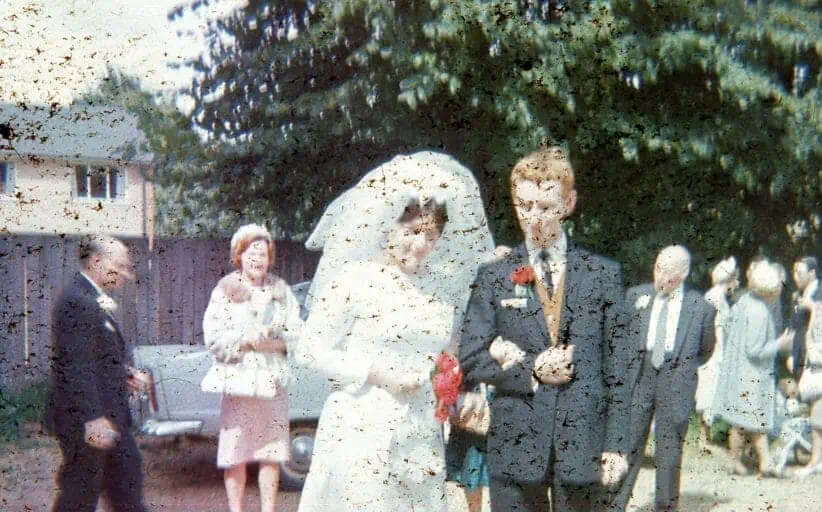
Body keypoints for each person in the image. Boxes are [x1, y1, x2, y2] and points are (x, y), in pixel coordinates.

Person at [296, 151, 494, 512]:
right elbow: (309, 349)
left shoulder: (439, 291)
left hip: (420, 433)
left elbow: (445, 359)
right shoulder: (354, 279)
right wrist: (375, 373)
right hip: (359, 425)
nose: (420, 245)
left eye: (431, 236)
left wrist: (455, 393)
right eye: (411, 232)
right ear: (388, 225)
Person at [458, 146, 629, 512]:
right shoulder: (492, 277)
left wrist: (617, 444)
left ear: (569, 203)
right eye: (524, 206)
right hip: (515, 447)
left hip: (583, 446)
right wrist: (531, 372)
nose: (533, 218)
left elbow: (621, 368)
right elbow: (471, 357)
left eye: (546, 207)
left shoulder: (603, 275)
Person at [606, 245, 717, 512]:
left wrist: (677, 368)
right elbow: (620, 339)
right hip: (640, 376)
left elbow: (705, 350)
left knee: (669, 452)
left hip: (675, 379)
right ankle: (613, 505)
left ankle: (665, 507)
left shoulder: (701, 308)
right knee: (627, 443)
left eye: (668, 272)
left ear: (684, 273)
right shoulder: (636, 296)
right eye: (658, 267)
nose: (660, 276)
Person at [202, 224, 303, 512]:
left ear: (270, 258)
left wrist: (277, 340)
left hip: (272, 383)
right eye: (251, 252)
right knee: (236, 454)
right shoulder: (224, 291)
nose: (257, 259)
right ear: (239, 255)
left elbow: (298, 333)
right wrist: (244, 340)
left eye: (263, 253)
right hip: (239, 383)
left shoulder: (282, 293)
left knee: (271, 453)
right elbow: (214, 338)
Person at [45, 235, 149, 512]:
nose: (126, 274)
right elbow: (74, 365)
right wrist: (93, 419)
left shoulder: (91, 297)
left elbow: (94, 356)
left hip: (110, 415)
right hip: (88, 420)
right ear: (96, 261)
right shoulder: (77, 300)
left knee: (126, 485)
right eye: (121, 266)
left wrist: (123, 373)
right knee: (80, 494)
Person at [713, 260, 794, 476]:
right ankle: (763, 463)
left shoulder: (744, 301)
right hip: (751, 374)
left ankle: (739, 461)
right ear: (769, 290)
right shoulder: (759, 312)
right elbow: (755, 350)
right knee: (753, 421)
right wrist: (780, 344)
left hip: (739, 370)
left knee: (742, 421)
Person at [695, 256, 739, 444]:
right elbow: (716, 328)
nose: (737, 283)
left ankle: (710, 434)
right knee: (709, 390)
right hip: (714, 350)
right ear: (729, 280)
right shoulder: (715, 297)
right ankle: (704, 436)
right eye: (736, 279)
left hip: (720, 349)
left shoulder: (720, 297)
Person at [790, 256, 822, 476]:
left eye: (800, 273)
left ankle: (815, 459)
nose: (795, 278)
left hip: (818, 357)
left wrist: (814, 307)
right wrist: (792, 354)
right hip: (804, 357)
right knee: (812, 406)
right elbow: (795, 328)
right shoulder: (796, 295)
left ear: (812, 273)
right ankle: (815, 456)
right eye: (793, 273)